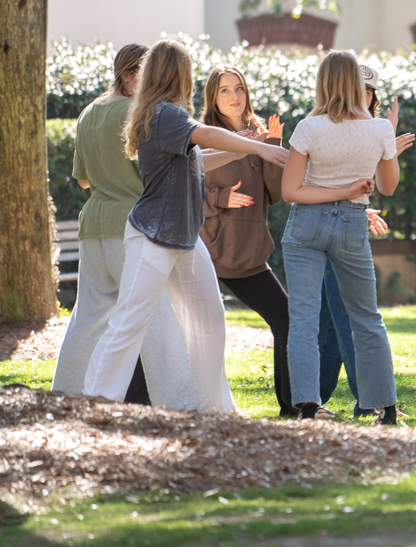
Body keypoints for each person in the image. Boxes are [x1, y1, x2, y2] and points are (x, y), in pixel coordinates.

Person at [83, 40, 289, 412]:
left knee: (209, 323)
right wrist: (258, 148)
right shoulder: (165, 115)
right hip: (153, 237)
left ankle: (214, 410)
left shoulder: (166, 117)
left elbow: (202, 157)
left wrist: (249, 144)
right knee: (130, 322)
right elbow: (206, 136)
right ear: (177, 74)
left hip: (185, 239)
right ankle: (98, 404)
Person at [52, 44, 196, 410]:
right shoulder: (135, 113)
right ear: (130, 75)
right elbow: (151, 173)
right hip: (133, 224)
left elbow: (83, 181)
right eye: (145, 76)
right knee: (157, 318)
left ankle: (64, 394)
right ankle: (179, 404)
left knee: (88, 317)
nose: (150, 84)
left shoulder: (88, 112)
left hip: (94, 223)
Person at [281, 51, 402, 425]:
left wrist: (338, 190)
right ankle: (387, 408)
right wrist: (352, 188)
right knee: (366, 316)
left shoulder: (308, 127)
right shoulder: (381, 128)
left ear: (324, 82)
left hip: (306, 225)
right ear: (356, 83)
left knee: (302, 318)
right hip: (352, 224)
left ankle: (306, 406)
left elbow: (291, 191)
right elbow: (388, 186)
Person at [316, 63, 412, 419]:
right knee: (348, 319)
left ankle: (311, 401)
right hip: (324, 231)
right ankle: (369, 401)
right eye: (359, 90)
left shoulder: (371, 132)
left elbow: (375, 184)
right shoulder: (322, 127)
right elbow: (314, 182)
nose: (364, 97)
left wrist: (387, 145)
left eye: (370, 92)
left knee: (331, 323)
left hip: (350, 227)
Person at [198, 65, 296, 416]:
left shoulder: (256, 134)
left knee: (285, 318)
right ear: (213, 97)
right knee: (192, 328)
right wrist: (220, 199)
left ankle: (292, 405)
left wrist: (272, 146)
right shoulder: (205, 135)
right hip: (209, 251)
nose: (234, 96)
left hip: (249, 253)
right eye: (224, 90)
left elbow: (274, 194)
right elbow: (185, 189)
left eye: (238, 88)